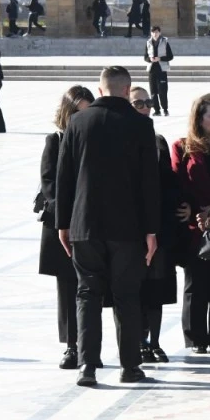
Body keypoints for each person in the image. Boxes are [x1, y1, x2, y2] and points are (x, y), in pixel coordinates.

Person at [55, 66, 160, 386]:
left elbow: (65, 177)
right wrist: (151, 230)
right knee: (127, 295)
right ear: (127, 90)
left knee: (87, 294)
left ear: (100, 90)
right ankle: (130, 366)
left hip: (84, 224)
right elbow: (149, 182)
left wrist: (63, 224)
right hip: (127, 228)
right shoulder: (141, 125)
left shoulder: (77, 122)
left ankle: (88, 366)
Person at [39, 86, 96, 369]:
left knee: (93, 288)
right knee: (68, 287)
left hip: (93, 224)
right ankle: (72, 346)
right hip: (64, 224)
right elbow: (49, 184)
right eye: (77, 113)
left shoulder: (98, 141)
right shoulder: (56, 141)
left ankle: (91, 347)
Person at [172, 94, 210, 356]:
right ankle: (195, 338)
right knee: (195, 285)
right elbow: (178, 182)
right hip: (194, 227)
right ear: (199, 119)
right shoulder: (183, 147)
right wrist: (195, 211)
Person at [130, 87, 183, 364]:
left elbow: (170, 181)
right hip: (131, 229)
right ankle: (138, 341)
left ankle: (155, 341)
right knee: (135, 288)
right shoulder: (120, 140)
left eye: (147, 102)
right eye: (137, 103)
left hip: (159, 225)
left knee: (157, 287)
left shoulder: (158, 140)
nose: (144, 107)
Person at [143, 26, 172, 117]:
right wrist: (150, 59)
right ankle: (157, 110)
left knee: (162, 91)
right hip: (152, 69)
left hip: (161, 69)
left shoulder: (165, 42)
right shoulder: (148, 42)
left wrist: (160, 58)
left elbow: (170, 56)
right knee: (153, 92)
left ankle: (165, 109)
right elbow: (145, 57)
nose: (155, 34)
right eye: (153, 32)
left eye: (156, 32)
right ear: (151, 33)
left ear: (159, 32)